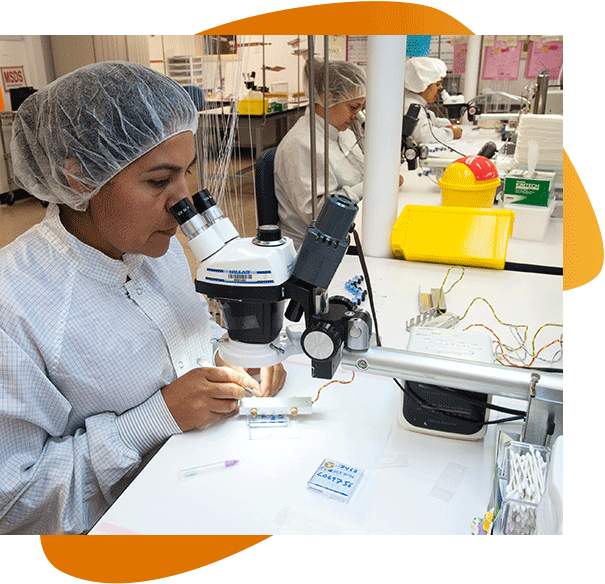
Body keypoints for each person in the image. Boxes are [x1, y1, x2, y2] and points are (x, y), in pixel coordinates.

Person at [0, 61, 286, 535]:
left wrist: (235, 350)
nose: (184, 200)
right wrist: (155, 419)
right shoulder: (16, 307)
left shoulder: (155, 246)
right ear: (79, 177)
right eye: (159, 180)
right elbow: (15, 504)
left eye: (187, 174)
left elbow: (183, 330)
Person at [274, 60, 367, 249]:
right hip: (316, 248)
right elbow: (320, 215)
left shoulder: (342, 133)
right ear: (327, 99)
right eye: (353, 107)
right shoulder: (302, 145)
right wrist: (371, 186)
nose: (357, 116)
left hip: (347, 229)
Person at [404, 57, 462, 144]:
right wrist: (451, 133)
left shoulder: (416, 103)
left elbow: (429, 120)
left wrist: (445, 124)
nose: (440, 89)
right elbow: (424, 135)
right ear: (423, 84)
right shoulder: (409, 105)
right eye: (437, 84)